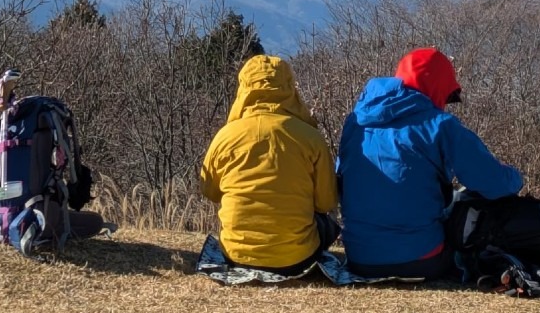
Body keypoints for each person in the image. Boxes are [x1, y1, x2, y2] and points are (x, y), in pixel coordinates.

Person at [336, 47, 523, 279]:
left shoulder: (355, 123)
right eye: (448, 95)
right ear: (437, 87)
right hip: (422, 259)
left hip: (359, 258)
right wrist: (516, 177)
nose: (445, 101)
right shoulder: (441, 125)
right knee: (471, 205)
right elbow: (494, 183)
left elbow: (341, 180)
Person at [200, 54, 340, 274]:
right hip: (297, 259)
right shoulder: (310, 137)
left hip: (236, 255)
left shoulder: (225, 136)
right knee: (327, 224)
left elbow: (210, 191)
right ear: (290, 88)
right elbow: (326, 202)